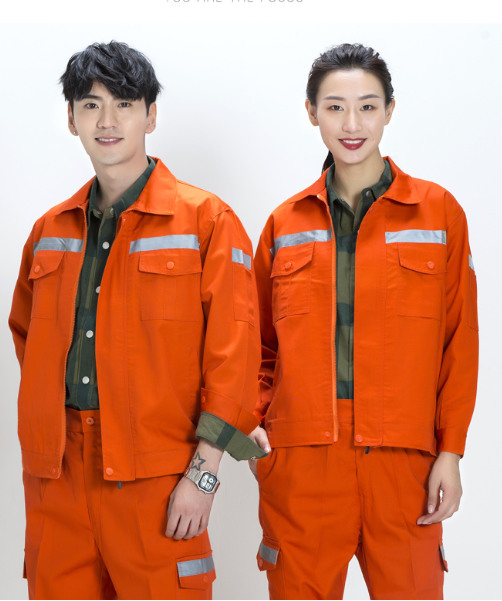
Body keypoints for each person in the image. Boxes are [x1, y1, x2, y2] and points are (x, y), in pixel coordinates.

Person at [9, 41, 264, 600]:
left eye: (124, 104)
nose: (107, 121)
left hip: (160, 476)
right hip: (56, 477)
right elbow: (29, 336)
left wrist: (203, 474)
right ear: (71, 119)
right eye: (91, 105)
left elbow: (236, 355)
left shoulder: (207, 220)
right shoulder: (49, 230)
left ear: (150, 116)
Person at [249, 43, 478, 600]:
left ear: (389, 110)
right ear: (312, 112)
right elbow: (257, 345)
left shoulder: (438, 212)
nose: (352, 125)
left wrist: (450, 451)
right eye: (335, 107)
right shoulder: (283, 224)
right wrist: (256, 428)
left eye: (367, 107)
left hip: (404, 461)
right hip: (302, 462)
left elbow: (459, 341)